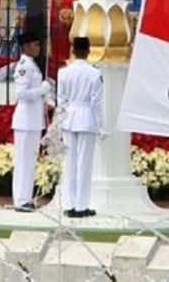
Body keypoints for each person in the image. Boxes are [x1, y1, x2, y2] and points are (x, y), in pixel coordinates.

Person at [58, 37, 103, 218]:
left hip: (69, 118)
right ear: (89, 51)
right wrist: (100, 125)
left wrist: (61, 122)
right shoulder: (94, 73)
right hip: (86, 118)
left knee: (70, 164)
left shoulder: (63, 73)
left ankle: (69, 204)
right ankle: (81, 206)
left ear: (73, 51)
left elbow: (61, 101)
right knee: (84, 164)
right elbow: (96, 102)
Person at [11, 31, 53, 212]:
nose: (38, 48)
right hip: (25, 121)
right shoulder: (24, 66)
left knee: (29, 160)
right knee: (23, 160)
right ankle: (20, 200)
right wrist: (41, 91)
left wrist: (46, 98)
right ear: (26, 47)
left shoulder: (31, 64)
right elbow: (20, 94)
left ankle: (26, 198)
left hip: (33, 120)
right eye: (34, 45)